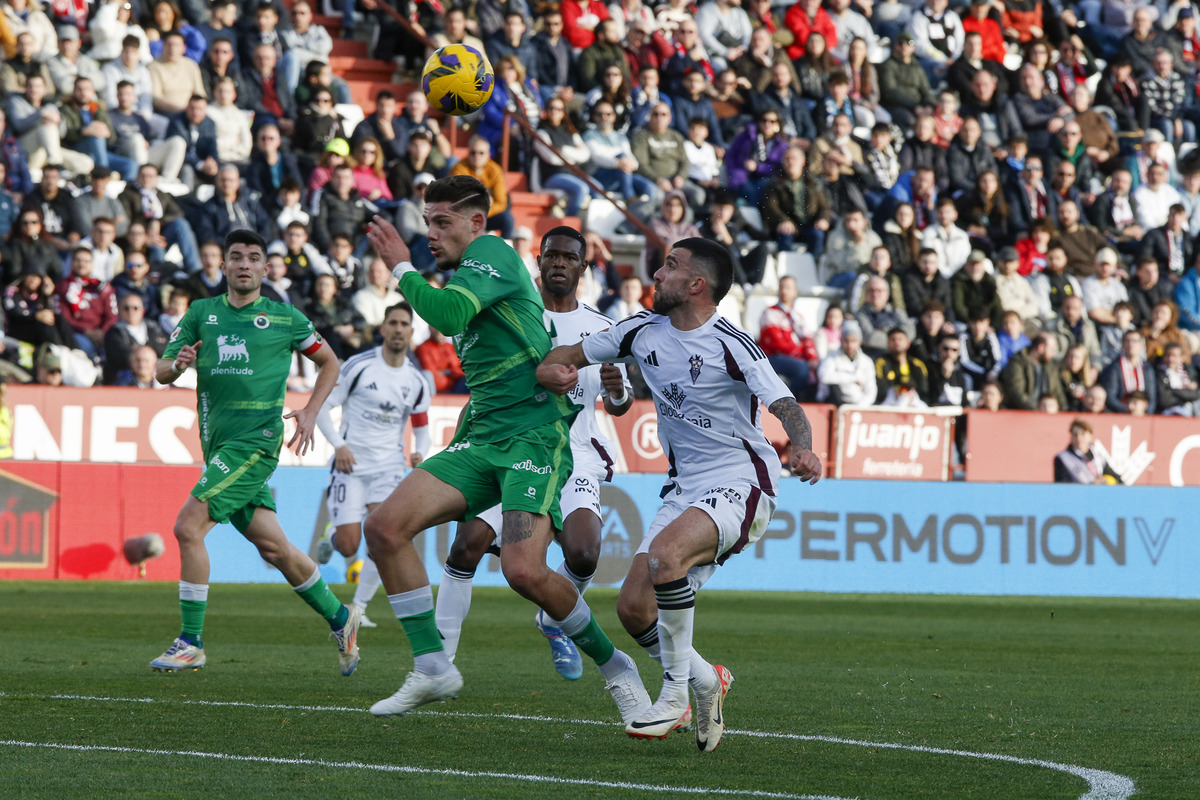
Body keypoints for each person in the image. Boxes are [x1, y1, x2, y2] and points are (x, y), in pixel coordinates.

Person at [360, 177, 643, 721]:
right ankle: (433, 667)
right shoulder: (469, 276)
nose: (431, 234)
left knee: (524, 571)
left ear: (477, 224)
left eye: (443, 222)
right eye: (427, 223)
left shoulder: (492, 254)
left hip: (535, 436)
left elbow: (446, 316)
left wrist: (400, 265)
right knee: (384, 529)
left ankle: (618, 670)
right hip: (483, 436)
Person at [538, 235, 821, 748]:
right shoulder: (641, 332)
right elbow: (571, 352)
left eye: (670, 266)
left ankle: (673, 696)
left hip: (743, 480)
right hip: (683, 488)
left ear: (696, 284)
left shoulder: (730, 343)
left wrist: (801, 446)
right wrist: (552, 369)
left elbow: (785, 403)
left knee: (665, 557)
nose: (657, 274)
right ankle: (706, 679)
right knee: (633, 609)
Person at [149, 228, 355, 676]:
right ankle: (342, 618)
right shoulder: (201, 313)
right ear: (223, 266)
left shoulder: (285, 318)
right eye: (236, 256)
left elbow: (330, 362)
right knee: (276, 548)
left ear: (265, 268)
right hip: (218, 445)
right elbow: (161, 370)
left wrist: (310, 411)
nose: (244, 263)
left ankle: (191, 641)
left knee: (188, 526)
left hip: (256, 441)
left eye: (254, 257)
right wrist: (177, 364)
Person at [434, 226, 635, 682]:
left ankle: (553, 618)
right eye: (552, 256)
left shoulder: (602, 329)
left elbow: (619, 408)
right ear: (538, 261)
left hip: (576, 451)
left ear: (584, 268)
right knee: (467, 545)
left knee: (584, 554)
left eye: (570, 258)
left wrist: (618, 391)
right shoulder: (511, 314)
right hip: (515, 444)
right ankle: (437, 663)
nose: (559, 263)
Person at [314, 302, 430, 630]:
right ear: (382, 329)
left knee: (382, 537)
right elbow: (322, 408)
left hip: (389, 468)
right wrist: (339, 447)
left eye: (404, 323)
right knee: (350, 544)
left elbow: (422, 428)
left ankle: (359, 606)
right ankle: (333, 535)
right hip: (350, 466)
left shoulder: (417, 381)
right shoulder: (358, 366)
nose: (397, 329)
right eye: (392, 322)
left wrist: (420, 452)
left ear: (411, 331)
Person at [1001, 333, 1067, 410]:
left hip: (1048, 412)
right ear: (1041, 347)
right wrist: (1036, 409)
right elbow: (1016, 392)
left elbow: (1058, 392)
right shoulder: (1018, 362)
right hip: (1023, 413)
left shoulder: (1050, 367)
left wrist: (1064, 408)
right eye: (1051, 349)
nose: (1053, 354)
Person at [1054, 418, 1122, 483]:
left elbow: (1118, 479)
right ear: (1071, 437)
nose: (1079, 438)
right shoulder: (1063, 458)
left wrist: (1106, 481)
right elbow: (1062, 485)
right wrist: (1089, 486)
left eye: (1083, 434)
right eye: (1075, 435)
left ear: (1090, 436)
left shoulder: (1098, 457)